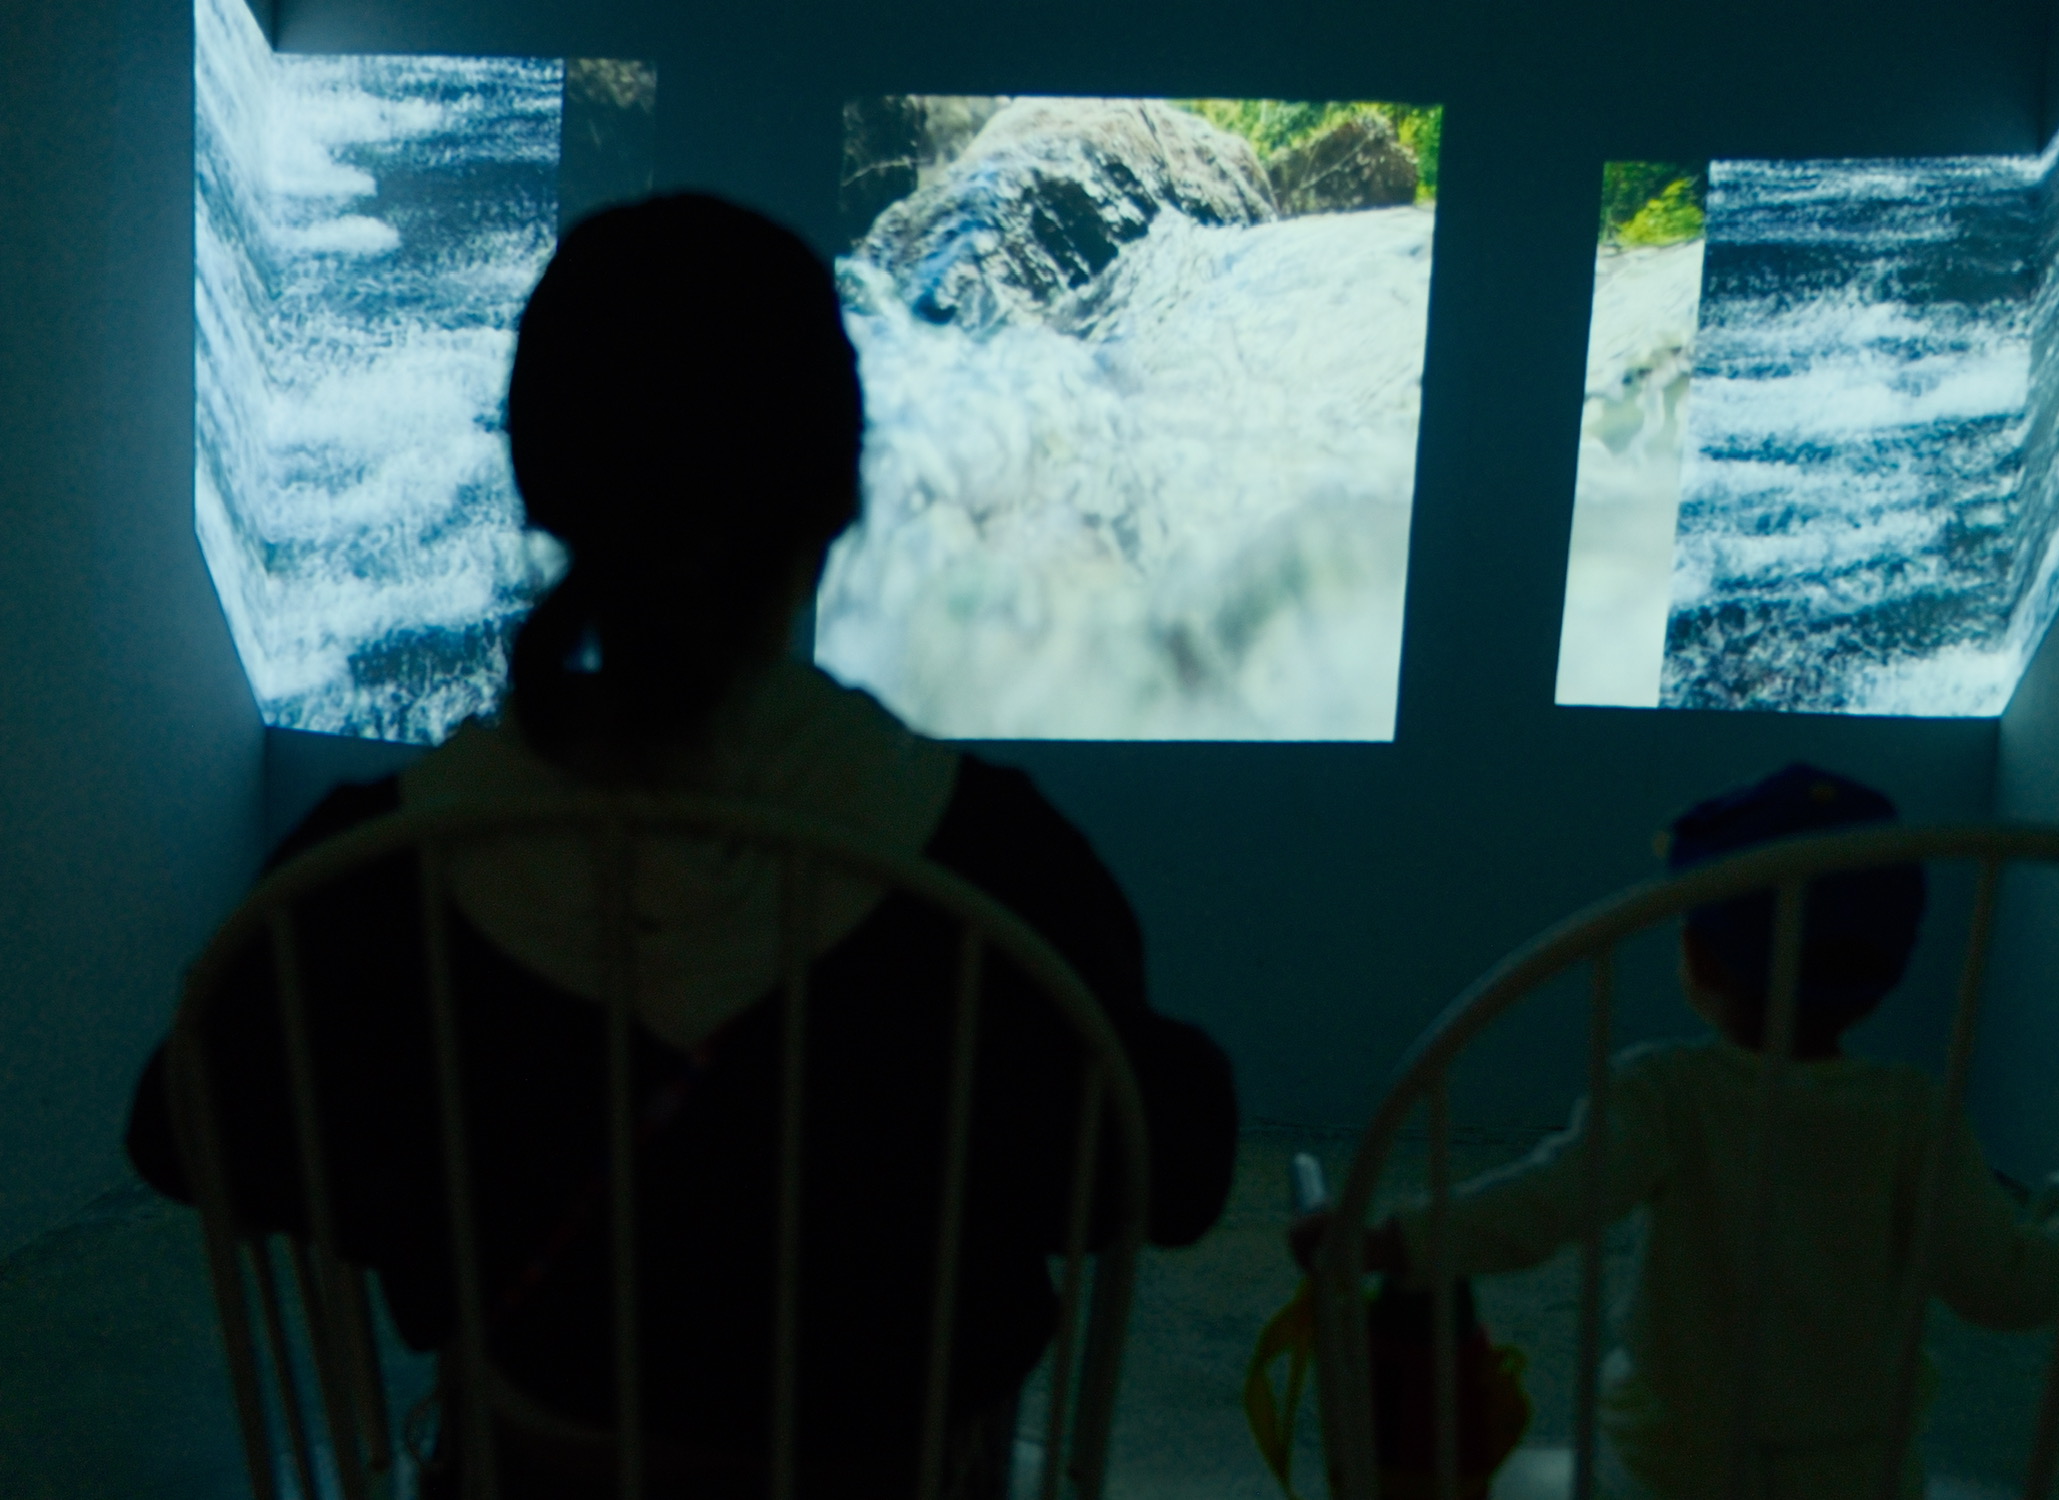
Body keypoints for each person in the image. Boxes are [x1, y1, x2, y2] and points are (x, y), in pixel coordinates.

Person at [127, 194, 1237, 1499]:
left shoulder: (366, 883)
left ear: (541, 481)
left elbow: (182, 1132)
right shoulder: (996, 876)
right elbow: (1173, 1172)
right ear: (838, 494)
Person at [1293, 763, 2059, 1500]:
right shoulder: (1915, 1113)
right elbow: (2009, 1287)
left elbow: (1543, 1204)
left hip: (1671, 1468)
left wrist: (1391, 1240)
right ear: (1888, 972)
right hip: (1856, 1474)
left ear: (1700, 958)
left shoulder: (1666, 1091)